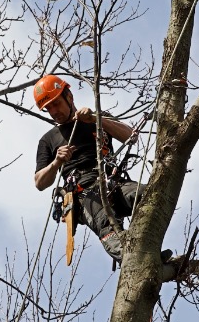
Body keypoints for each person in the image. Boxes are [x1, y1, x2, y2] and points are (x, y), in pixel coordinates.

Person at [32, 74, 141, 263]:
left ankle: (148, 249)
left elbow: (131, 135)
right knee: (106, 224)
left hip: (112, 182)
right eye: (48, 108)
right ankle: (135, 260)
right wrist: (56, 162)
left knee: (146, 195)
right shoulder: (49, 139)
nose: (53, 111)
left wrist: (96, 119)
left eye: (56, 103)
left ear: (69, 97)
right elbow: (39, 182)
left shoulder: (96, 118)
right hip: (83, 192)